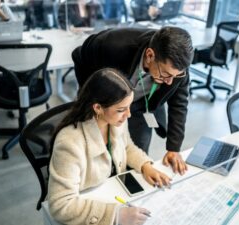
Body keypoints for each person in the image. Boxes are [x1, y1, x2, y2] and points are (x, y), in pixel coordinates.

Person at [48, 68, 171, 225]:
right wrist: (115, 216)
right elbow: (61, 205)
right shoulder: (69, 143)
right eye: (121, 110)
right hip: (88, 205)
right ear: (98, 108)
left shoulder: (115, 121)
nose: (128, 115)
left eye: (129, 107)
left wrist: (145, 165)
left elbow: (127, 146)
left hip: (112, 191)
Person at [72, 26, 194, 175]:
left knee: (136, 152)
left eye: (175, 76)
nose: (169, 82)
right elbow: (79, 55)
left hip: (143, 105)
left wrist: (174, 149)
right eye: (166, 74)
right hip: (108, 103)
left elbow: (179, 105)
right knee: (98, 151)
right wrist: (92, 97)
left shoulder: (178, 71)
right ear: (150, 55)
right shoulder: (114, 46)